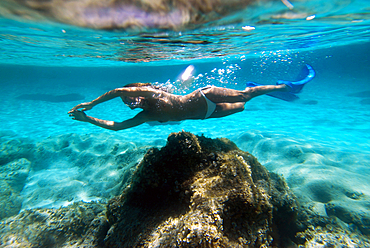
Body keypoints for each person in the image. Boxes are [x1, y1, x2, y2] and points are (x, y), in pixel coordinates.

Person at [68, 64, 315, 131]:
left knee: (245, 96)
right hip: (206, 114)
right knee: (240, 107)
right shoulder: (147, 115)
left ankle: (289, 87)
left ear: (137, 92)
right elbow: (118, 127)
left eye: (130, 99)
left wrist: (90, 103)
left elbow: (119, 90)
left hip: (203, 96)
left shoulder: (152, 94)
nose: (130, 104)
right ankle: (263, 89)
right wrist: (87, 119)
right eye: (127, 104)